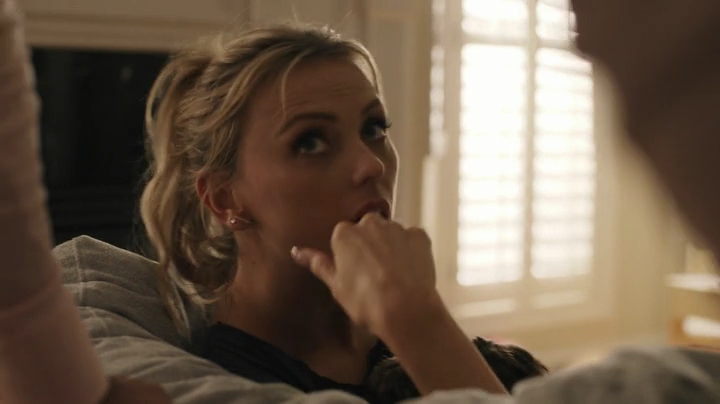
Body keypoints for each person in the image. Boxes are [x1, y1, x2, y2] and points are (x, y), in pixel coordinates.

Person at [2, 0, 720, 402]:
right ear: (224, 199)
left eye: (375, 127)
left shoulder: (461, 352)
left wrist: (420, 323)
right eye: (311, 141)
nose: (371, 164)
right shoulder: (219, 382)